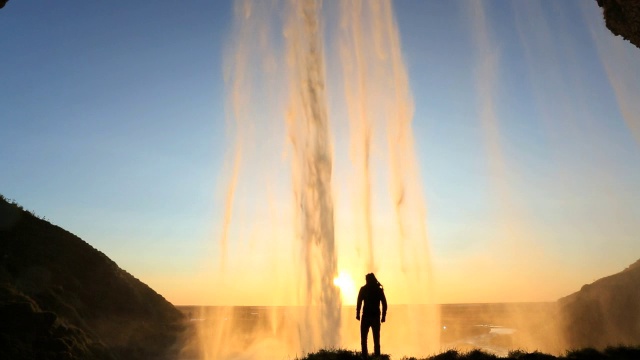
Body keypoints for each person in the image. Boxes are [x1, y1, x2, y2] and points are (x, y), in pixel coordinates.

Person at [356, 273, 387, 357]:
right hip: (370, 317)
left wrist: (383, 316)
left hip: (370, 317)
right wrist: (358, 313)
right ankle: (369, 356)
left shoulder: (368, 289)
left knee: (372, 340)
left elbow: (384, 303)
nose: (367, 281)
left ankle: (371, 357)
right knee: (371, 340)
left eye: (367, 280)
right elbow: (359, 302)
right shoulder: (375, 289)